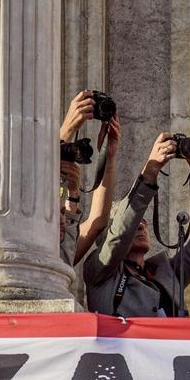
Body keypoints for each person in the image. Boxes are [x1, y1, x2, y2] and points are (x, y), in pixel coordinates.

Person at [83, 132, 190, 317]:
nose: (141, 226)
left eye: (144, 222)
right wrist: (150, 171)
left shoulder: (164, 272)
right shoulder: (99, 270)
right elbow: (121, 233)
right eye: (135, 223)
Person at [58, 90, 120, 266]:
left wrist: (107, 157)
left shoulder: (62, 254)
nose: (63, 220)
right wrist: (67, 130)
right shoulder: (32, 244)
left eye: (63, 213)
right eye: (59, 214)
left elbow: (97, 222)